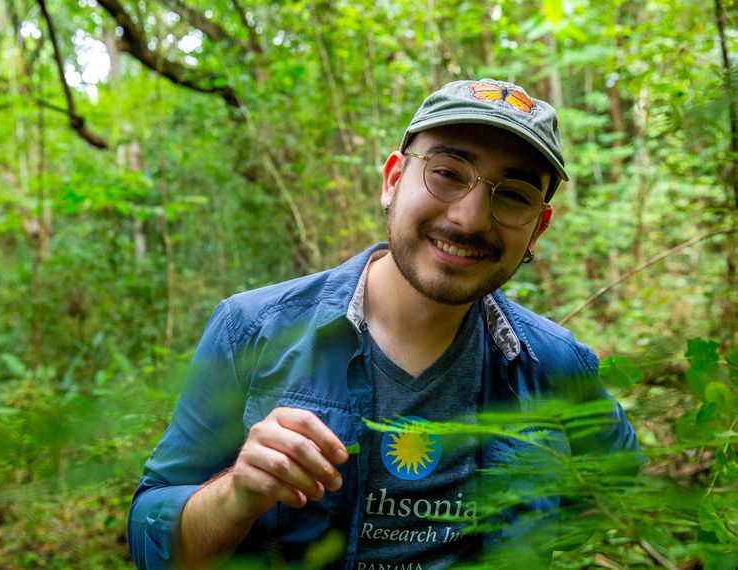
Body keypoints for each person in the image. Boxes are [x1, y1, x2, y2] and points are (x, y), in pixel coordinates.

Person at [127, 78, 639, 569]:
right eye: (447, 173)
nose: (470, 218)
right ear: (393, 180)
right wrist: (236, 493)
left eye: (514, 195)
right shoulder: (252, 331)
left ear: (537, 230)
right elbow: (153, 542)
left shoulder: (554, 364)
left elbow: (623, 489)